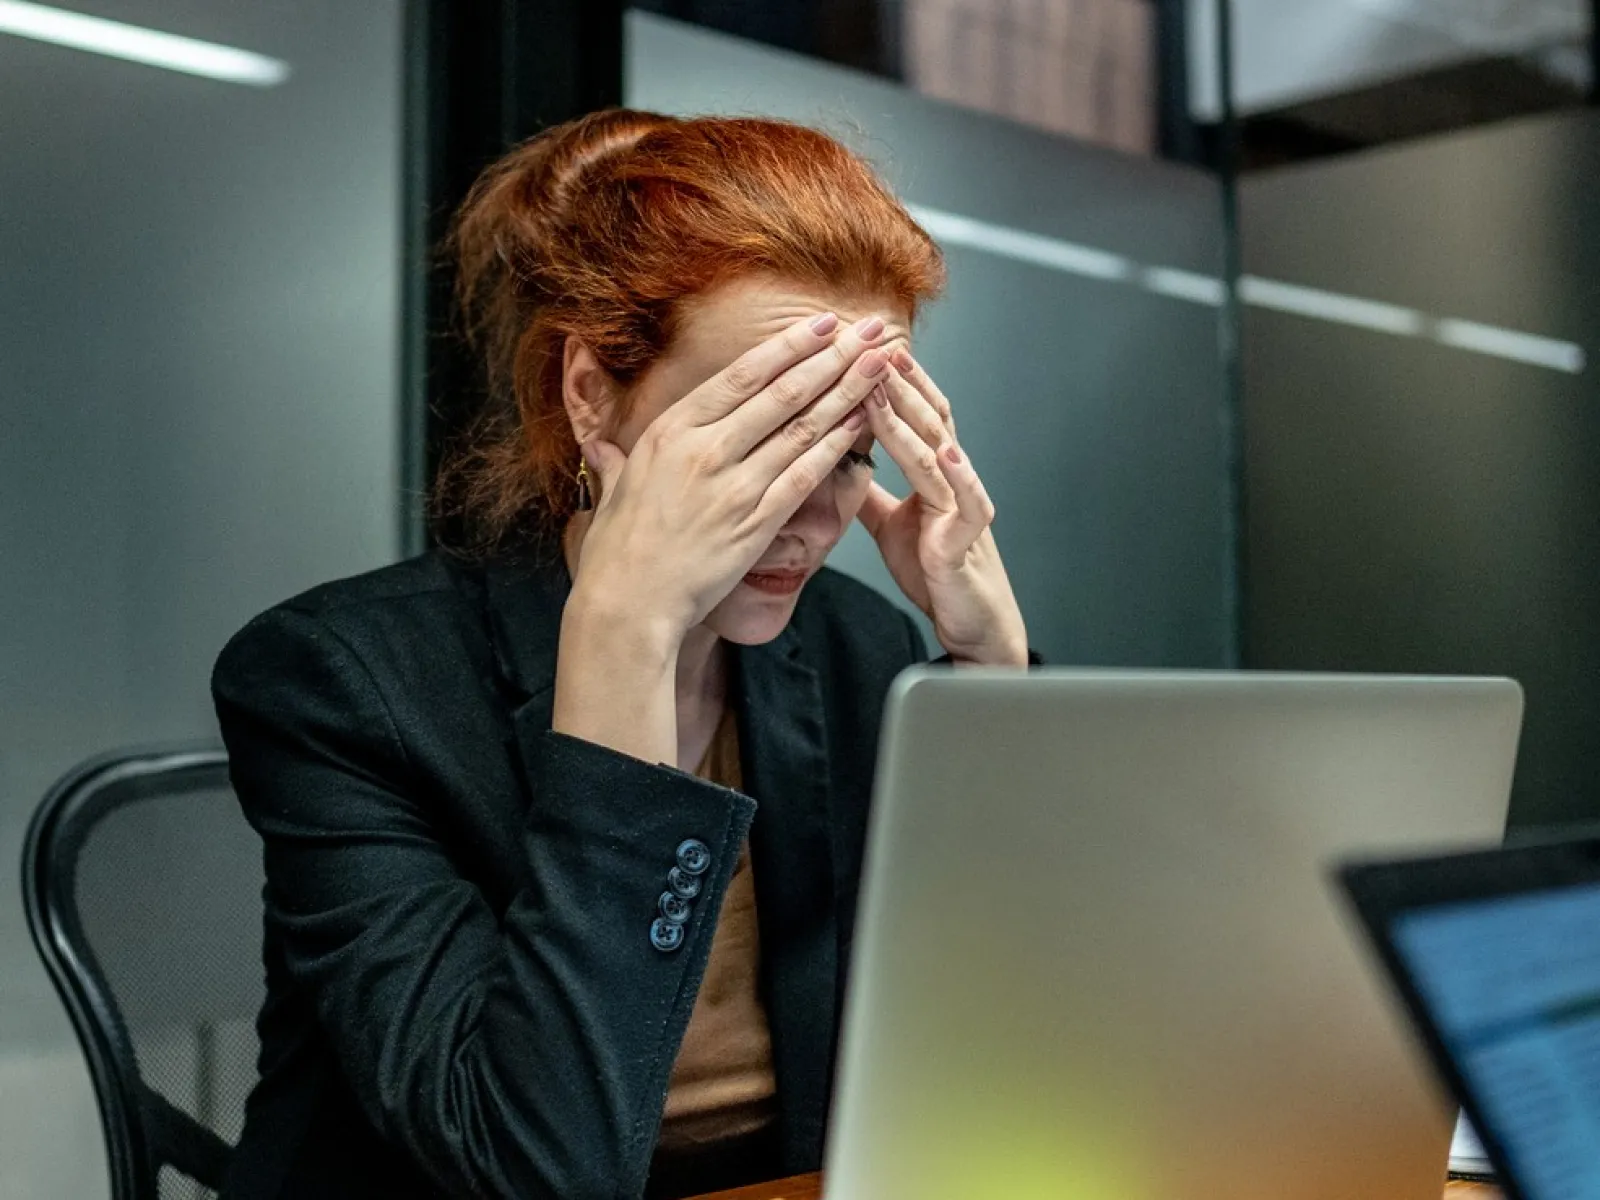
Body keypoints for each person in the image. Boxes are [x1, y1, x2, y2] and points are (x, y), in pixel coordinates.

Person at [212, 108, 1029, 1200]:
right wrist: (625, 644)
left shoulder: (859, 645)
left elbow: (1012, 1062)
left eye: (848, 452)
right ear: (591, 391)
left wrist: (994, 683)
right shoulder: (340, 683)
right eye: (758, 444)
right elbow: (538, 1169)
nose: (809, 520)